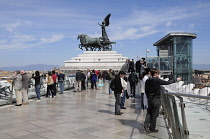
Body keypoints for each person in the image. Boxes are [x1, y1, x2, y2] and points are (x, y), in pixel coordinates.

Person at [144, 68, 182, 133]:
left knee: (149, 112)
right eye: (158, 73)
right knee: (154, 114)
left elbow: (146, 90)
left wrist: (148, 97)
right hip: (156, 98)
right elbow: (167, 82)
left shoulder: (148, 80)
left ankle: (146, 125)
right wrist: (176, 79)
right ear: (155, 74)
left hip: (150, 98)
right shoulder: (157, 80)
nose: (159, 75)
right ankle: (152, 128)